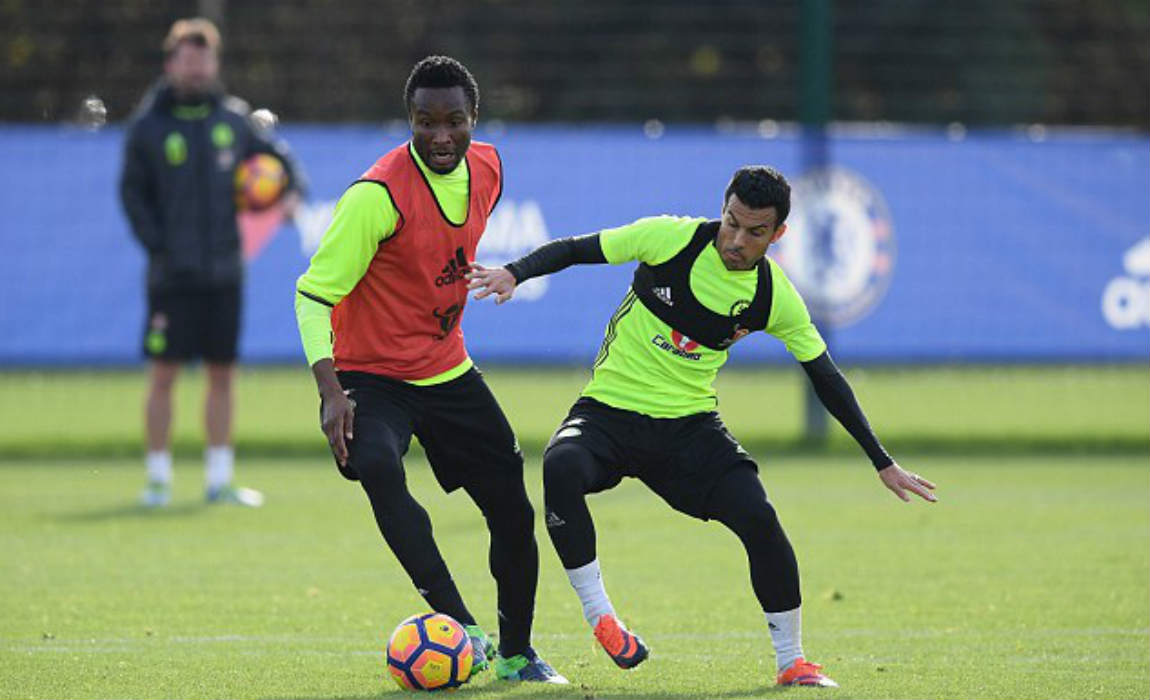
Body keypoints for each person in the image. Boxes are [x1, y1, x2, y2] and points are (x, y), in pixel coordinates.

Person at [467, 165, 938, 688]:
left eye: (754, 231)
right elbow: (579, 248)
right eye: (730, 221)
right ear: (723, 207)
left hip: (689, 429)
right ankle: (602, 617)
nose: (735, 239)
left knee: (759, 518)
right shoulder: (669, 239)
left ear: (778, 234)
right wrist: (514, 271)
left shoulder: (771, 296)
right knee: (560, 467)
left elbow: (825, 376)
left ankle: (792, 662)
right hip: (609, 410)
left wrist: (882, 460)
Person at [293, 56, 565, 684]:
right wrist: (331, 392)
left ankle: (518, 655)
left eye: (454, 121)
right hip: (368, 375)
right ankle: (462, 627)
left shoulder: (489, 168)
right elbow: (312, 296)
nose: (441, 136)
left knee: (512, 509)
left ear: (475, 119)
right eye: (425, 122)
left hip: (446, 370)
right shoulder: (376, 196)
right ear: (408, 121)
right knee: (379, 464)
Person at [120, 17, 304, 509]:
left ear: (215, 64)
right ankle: (157, 480)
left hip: (225, 273)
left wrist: (289, 194)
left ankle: (219, 480)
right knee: (164, 373)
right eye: (187, 60)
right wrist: (160, 246)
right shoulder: (149, 126)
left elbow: (282, 165)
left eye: (204, 60)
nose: (197, 69)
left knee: (222, 374)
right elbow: (132, 195)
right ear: (170, 63)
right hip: (171, 276)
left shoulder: (235, 120)